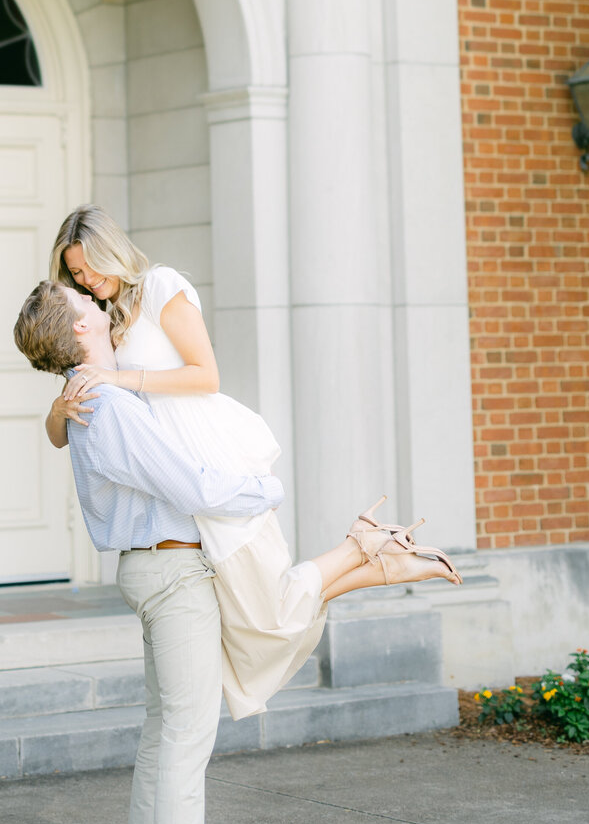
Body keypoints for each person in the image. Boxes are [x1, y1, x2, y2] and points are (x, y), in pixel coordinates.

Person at [46, 206, 461, 720]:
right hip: (179, 480)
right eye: (77, 275)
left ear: (113, 250)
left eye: (90, 267)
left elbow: (206, 376)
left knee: (265, 612)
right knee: (255, 618)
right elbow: (62, 437)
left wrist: (121, 381)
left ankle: (368, 550)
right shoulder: (105, 319)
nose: (87, 280)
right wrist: (60, 407)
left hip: (211, 459)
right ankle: (373, 553)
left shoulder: (160, 286)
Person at [14, 278, 275, 824]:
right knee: (188, 741)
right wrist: (263, 486)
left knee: (165, 733)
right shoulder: (107, 401)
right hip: (174, 570)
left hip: (148, 566)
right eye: (87, 305)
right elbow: (188, 482)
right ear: (78, 330)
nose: (98, 305)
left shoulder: (85, 396)